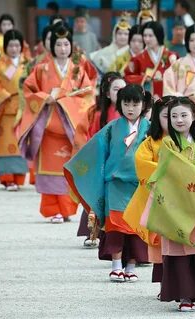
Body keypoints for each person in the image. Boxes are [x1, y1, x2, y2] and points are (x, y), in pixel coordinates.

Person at [141, 96, 195, 312]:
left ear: (194, 116)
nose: (179, 120)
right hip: (176, 205)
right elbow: (171, 170)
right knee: (180, 251)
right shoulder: (168, 144)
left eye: (184, 115)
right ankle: (184, 295)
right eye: (174, 116)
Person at [64, 84, 151, 282]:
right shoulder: (112, 128)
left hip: (140, 186)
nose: (130, 108)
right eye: (126, 103)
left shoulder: (149, 128)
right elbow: (96, 149)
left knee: (136, 228)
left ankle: (130, 266)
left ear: (143, 104)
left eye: (135, 103)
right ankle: (116, 265)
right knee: (116, 226)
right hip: (115, 184)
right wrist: (78, 165)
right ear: (119, 104)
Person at [18, 25, 95, 223]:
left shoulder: (78, 70)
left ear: (71, 46)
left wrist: (66, 101)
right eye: (58, 44)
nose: (62, 48)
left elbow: (88, 94)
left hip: (70, 128)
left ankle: (67, 209)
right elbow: (28, 90)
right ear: (52, 46)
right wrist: (45, 97)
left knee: (69, 168)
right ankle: (53, 210)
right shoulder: (41, 69)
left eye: (66, 44)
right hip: (47, 128)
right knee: (50, 170)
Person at [123, 96, 173, 295]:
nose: (174, 120)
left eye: (179, 115)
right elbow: (142, 164)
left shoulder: (191, 141)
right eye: (167, 116)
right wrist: (171, 171)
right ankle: (165, 286)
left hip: (183, 200)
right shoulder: (150, 143)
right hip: (159, 201)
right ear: (156, 118)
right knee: (162, 244)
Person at [73, 72, 126, 247]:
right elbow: (85, 135)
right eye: (116, 89)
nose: (120, 93)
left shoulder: (131, 113)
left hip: (124, 163)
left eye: (123, 89)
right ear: (107, 93)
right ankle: (92, 231)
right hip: (102, 160)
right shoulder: (96, 113)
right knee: (96, 197)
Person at [0, 30, 29, 190]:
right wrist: (2, 94)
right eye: (11, 45)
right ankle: (7, 178)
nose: (14, 49)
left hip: (23, 109)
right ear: (5, 46)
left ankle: (19, 178)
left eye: (17, 45)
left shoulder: (28, 64)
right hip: (4, 109)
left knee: (21, 144)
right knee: (5, 143)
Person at [163, 24, 195, 136]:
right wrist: (177, 95)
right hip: (184, 109)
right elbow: (167, 83)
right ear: (187, 42)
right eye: (192, 40)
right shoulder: (178, 64)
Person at [125, 21, 178, 100]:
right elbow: (128, 77)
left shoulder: (171, 56)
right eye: (145, 35)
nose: (147, 39)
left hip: (168, 98)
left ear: (158, 35)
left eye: (150, 36)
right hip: (146, 99)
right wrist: (143, 78)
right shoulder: (137, 59)